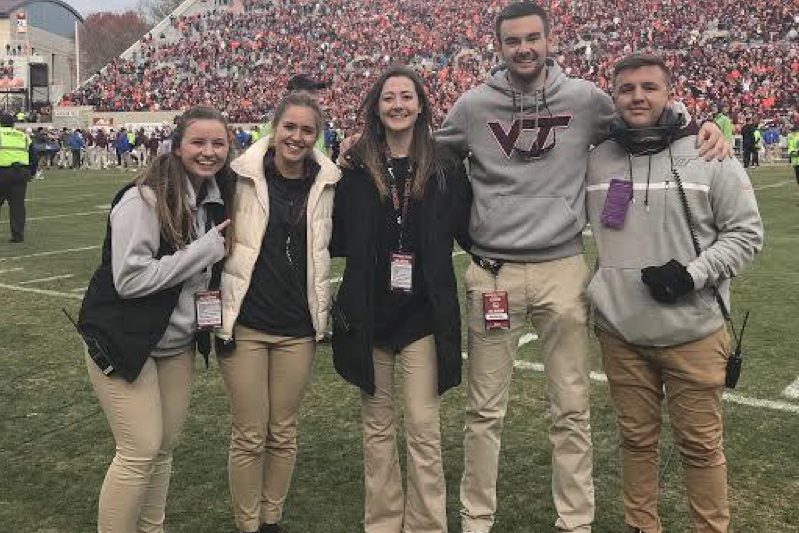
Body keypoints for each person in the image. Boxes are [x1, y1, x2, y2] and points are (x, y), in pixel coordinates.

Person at [434, 3, 727, 532]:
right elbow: (431, 152)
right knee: (484, 412)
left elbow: (647, 114)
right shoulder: (475, 106)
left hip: (563, 268)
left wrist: (701, 124)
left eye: (532, 38)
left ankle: (575, 522)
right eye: (511, 41)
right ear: (496, 47)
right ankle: (475, 520)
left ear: (549, 40)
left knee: (570, 409)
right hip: (493, 273)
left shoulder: (585, 99)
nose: (523, 49)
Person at [585, 53, 763, 533]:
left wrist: (693, 274)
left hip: (694, 330)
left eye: (649, 87)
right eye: (626, 89)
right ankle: (641, 526)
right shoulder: (598, 156)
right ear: (614, 96)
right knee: (635, 442)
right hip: (621, 332)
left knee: (701, 447)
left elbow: (747, 233)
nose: (638, 96)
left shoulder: (708, 152)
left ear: (669, 92)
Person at [76, 105, 234, 533]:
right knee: (139, 450)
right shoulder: (143, 197)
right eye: (198, 142)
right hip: (123, 338)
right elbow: (129, 280)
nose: (209, 151)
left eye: (218, 143)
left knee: (163, 448)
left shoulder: (213, 196)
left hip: (174, 343)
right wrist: (201, 251)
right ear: (178, 145)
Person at [330, 66, 472, 533]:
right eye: (388, 97)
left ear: (420, 105)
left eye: (406, 97)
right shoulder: (353, 168)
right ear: (376, 106)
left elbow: (470, 226)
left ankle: (428, 525)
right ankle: (383, 523)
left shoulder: (446, 166)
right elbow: (335, 236)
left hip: (423, 316)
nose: (397, 105)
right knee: (376, 430)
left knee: (424, 430)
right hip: (370, 315)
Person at [215, 91, 341, 533]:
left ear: (317, 135)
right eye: (290, 127)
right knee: (249, 434)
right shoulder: (238, 175)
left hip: (298, 328)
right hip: (246, 325)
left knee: (283, 431)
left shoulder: (329, 180)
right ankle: (247, 524)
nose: (297, 137)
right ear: (275, 126)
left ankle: (272, 519)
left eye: (308, 130)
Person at [0, 113, 34, 243]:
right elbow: (33, 155)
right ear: (13, 124)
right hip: (21, 173)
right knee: (18, 206)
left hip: (2, 171)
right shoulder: (23, 136)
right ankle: (18, 235)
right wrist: (30, 172)